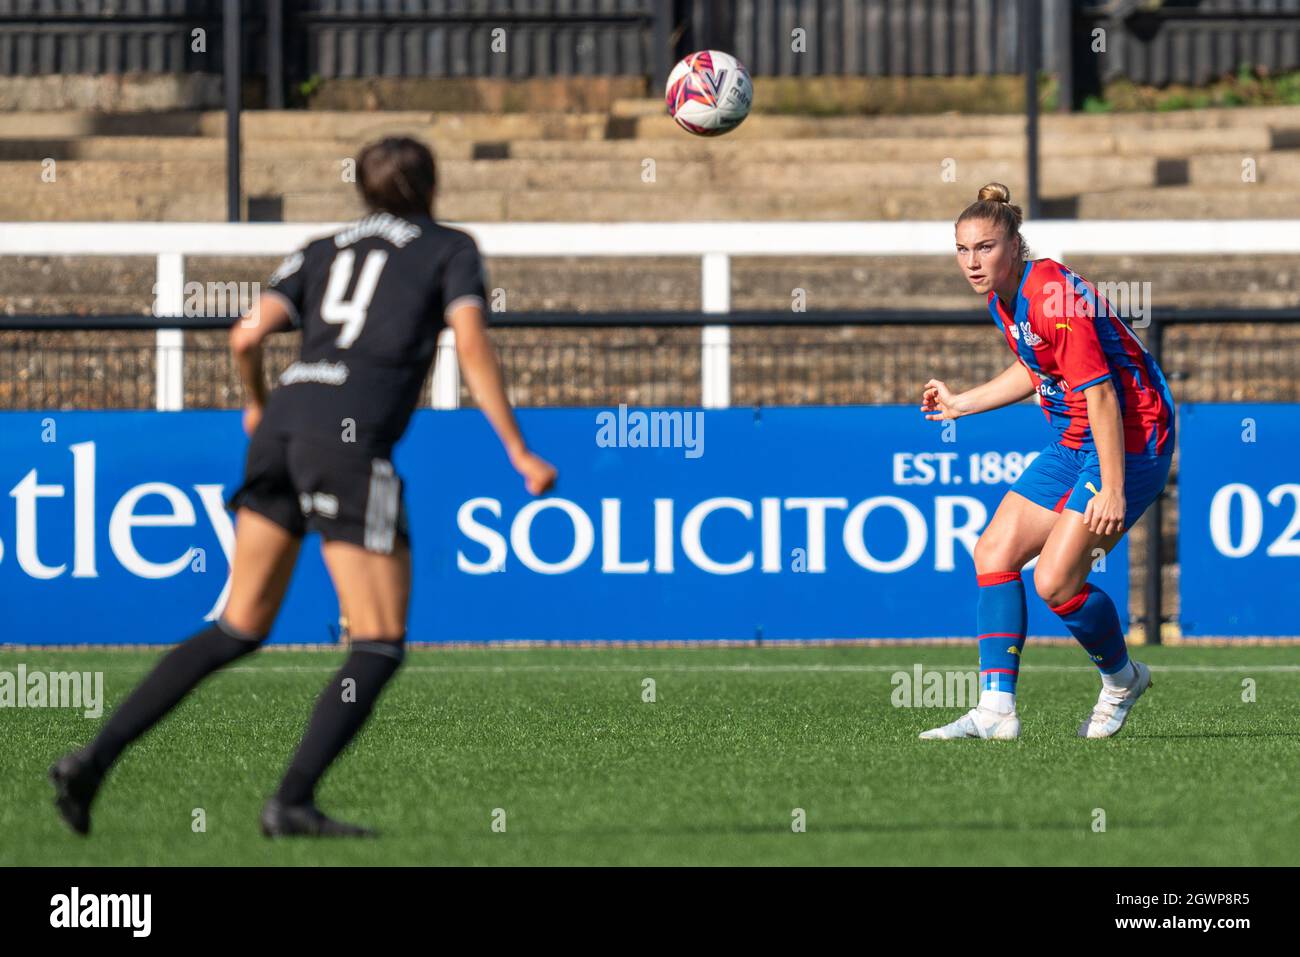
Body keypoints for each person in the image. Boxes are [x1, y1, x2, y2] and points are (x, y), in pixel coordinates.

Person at [50, 136, 556, 836]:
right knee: (377, 642)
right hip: (348, 440)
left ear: (363, 189)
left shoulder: (324, 246)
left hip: (283, 425)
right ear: (432, 185)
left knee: (236, 626)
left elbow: (244, 334)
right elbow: (470, 343)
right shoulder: (448, 247)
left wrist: (256, 403)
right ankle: (291, 800)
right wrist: (518, 450)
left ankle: (93, 759)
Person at [919, 183, 1174, 741]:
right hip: (1076, 439)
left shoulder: (1052, 296)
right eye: (962, 250)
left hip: (1132, 441)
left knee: (1057, 582)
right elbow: (1038, 369)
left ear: (1015, 244)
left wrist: (1111, 487)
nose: (971, 261)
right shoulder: (1002, 297)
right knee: (994, 551)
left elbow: (1103, 395)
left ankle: (1122, 680)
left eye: (984, 247)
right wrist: (963, 403)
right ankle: (995, 711)